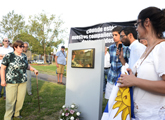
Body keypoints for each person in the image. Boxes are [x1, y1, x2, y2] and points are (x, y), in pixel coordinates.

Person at [117, 7, 165, 120]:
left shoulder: (162, 47)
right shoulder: (147, 49)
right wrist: (132, 75)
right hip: (140, 114)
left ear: (147, 22)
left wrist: (135, 81)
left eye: (137, 24)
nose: (136, 29)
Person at [1, 40, 38, 120]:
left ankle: (16, 113)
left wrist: (34, 69)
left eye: (23, 46)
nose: (23, 48)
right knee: (10, 100)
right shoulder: (9, 56)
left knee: (20, 99)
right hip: (11, 81)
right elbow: (3, 68)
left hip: (22, 81)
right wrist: (3, 80)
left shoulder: (24, 56)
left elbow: (27, 66)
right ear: (15, 47)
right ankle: (8, 117)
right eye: (21, 46)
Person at [105, 26, 130, 99]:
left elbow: (128, 64)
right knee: (109, 101)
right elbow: (111, 62)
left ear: (121, 35)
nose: (114, 37)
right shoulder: (111, 47)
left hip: (121, 79)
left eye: (116, 35)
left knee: (118, 102)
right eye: (113, 35)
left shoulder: (126, 48)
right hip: (110, 78)